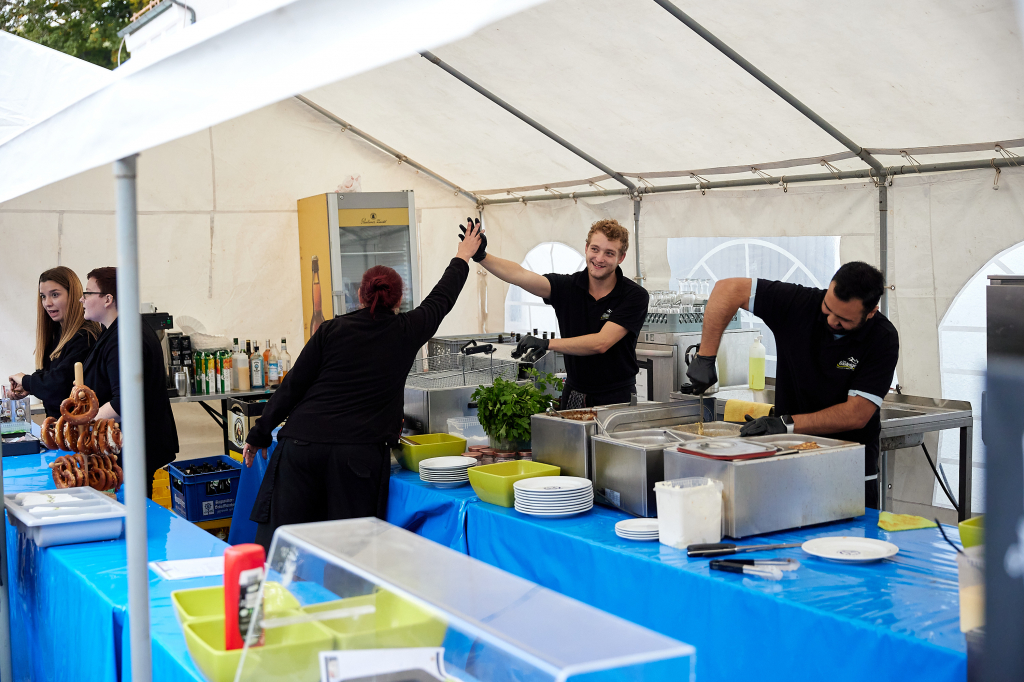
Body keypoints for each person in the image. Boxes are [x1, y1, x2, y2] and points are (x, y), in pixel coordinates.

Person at [242, 225, 483, 551]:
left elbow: (293, 386)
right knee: (349, 555)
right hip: (356, 456)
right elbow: (442, 297)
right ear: (400, 298)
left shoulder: (331, 330)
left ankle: (279, 601)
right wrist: (462, 256)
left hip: (301, 446)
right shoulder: (407, 330)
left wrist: (258, 436)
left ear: (359, 295)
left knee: (285, 551)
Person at [686, 262, 899, 508]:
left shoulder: (882, 338)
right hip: (788, 462)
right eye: (828, 308)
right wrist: (705, 356)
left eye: (843, 320)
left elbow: (857, 414)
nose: (830, 320)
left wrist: (786, 424)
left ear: (871, 312)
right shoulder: (800, 303)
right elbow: (728, 289)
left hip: (847, 471)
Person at [460, 217, 649, 409]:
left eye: (609, 253)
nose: (599, 259)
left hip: (617, 397)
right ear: (586, 248)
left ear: (621, 257)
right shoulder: (568, 287)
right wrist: (481, 256)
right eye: (595, 249)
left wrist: (547, 343)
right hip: (575, 393)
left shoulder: (633, 295)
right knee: (569, 441)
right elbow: (520, 275)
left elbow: (601, 343)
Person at [81, 267, 179, 492]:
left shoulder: (124, 338)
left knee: (136, 514)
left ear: (108, 299)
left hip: (133, 448)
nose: (82, 299)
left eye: (87, 293)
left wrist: (84, 421)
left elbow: (124, 402)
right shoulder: (120, 329)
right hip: (130, 446)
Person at [9, 267, 101, 418]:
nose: (47, 303)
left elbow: (59, 384)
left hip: (77, 431)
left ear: (73, 295)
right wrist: (28, 387)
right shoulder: (57, 334)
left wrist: (27, 381)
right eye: (43, 296)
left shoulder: (86, 337)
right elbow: (50, 374)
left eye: (55, 295)